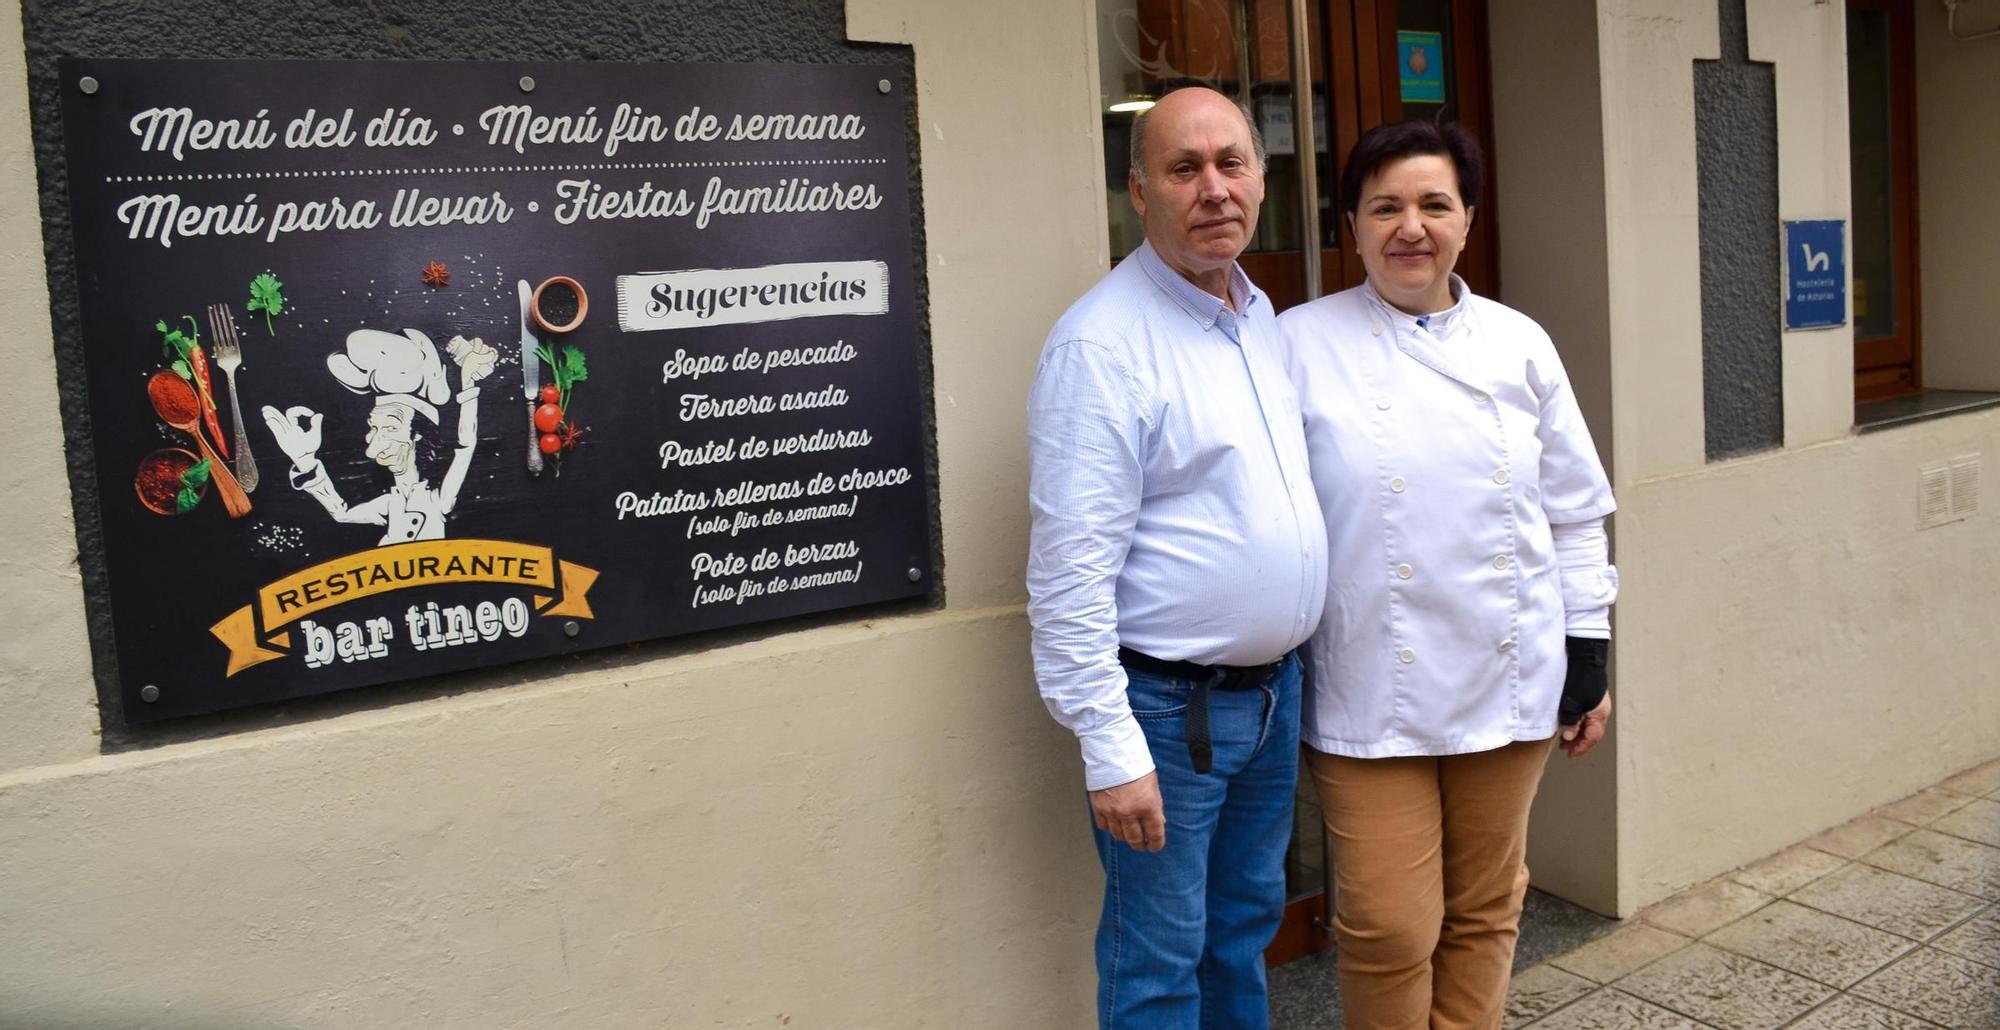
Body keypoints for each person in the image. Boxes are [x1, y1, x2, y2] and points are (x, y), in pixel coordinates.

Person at [1276, 120, 1617, 1029]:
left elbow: (1577, 510)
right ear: (1351, 225)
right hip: (1365, 685)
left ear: (1469, 219)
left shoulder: (1520, 345)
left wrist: (1591, 652)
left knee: (1487, 906)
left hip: (1510, 682)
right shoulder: (1295, 344)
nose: (1410, 226)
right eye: (1385, 206)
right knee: (1389, 925)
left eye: (1435, 203)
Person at [1026, 86, 1327, 1028]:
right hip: (1165, 713)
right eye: (1183, 168)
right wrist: (1112, 752)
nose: (1213, 189)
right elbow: (1067, 575)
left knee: (1241, 933)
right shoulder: (1101, 347)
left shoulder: (1257, 317)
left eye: (1231, 164)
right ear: (1138, 191)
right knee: (1157, 965)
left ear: (1262, 179)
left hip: (1271, 699)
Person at [263, 326, 498, 545]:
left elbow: (466, 445)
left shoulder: (436, 499)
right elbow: (341, 514)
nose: (376, 440)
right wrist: (306, 463)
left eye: (391, 427)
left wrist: (469, 384)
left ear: (417, 434)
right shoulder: (389, 503)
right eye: (374, 427)